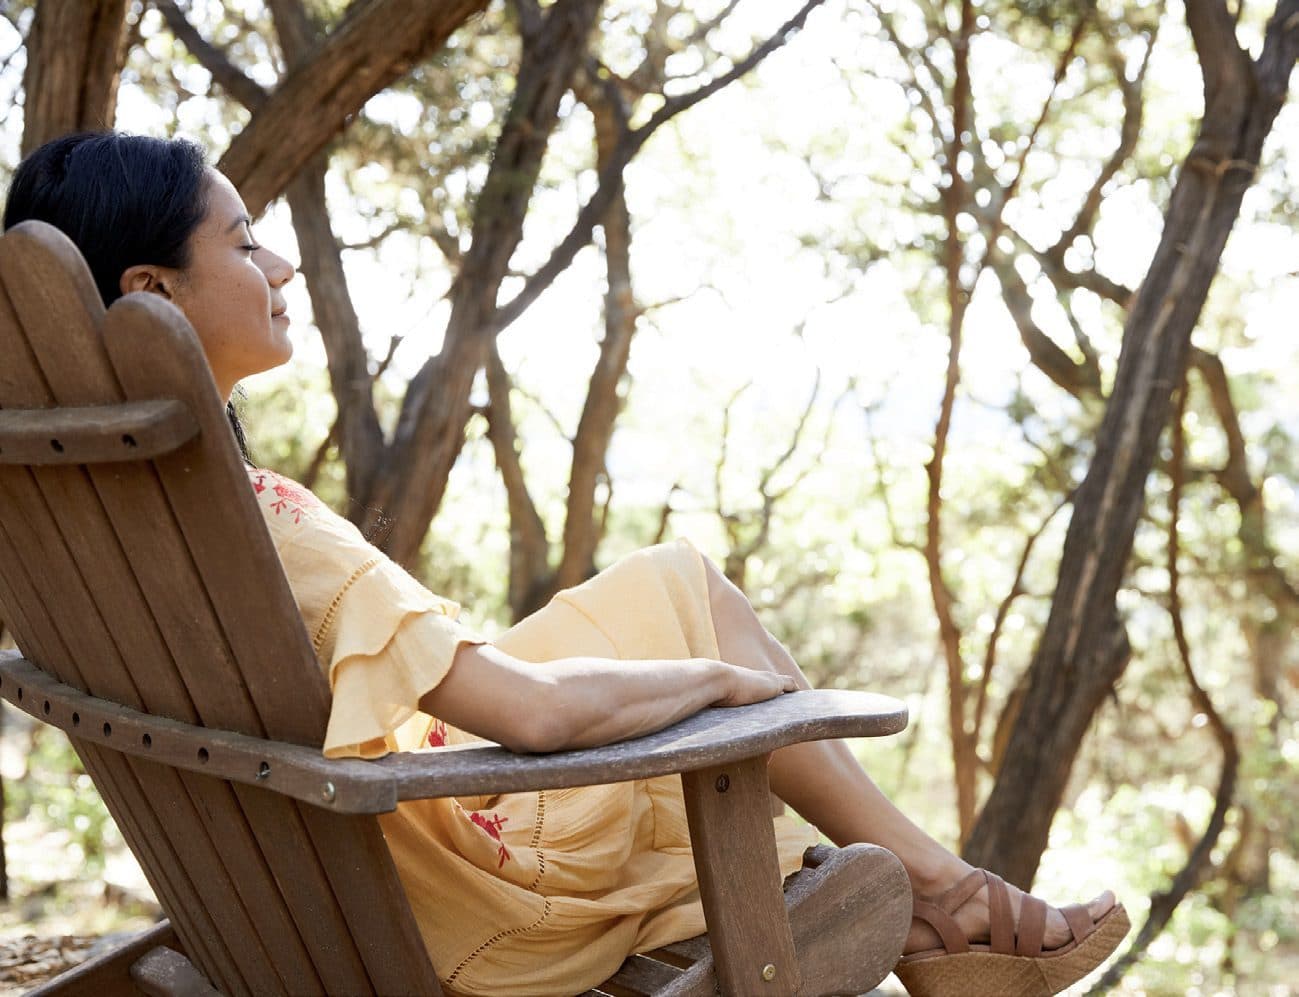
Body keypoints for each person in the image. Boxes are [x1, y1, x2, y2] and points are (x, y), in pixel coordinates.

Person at [3, 131, 1128, 997]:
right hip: (459, 902)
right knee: (697, 621)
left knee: (674, 582)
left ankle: (940, 900)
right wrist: (722, 684)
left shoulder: (87, 521)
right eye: (245, 242)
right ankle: (945, 898)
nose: (283, 263)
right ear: (154, 293)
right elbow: (532, 714)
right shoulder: (265, 524)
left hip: (313, 884)